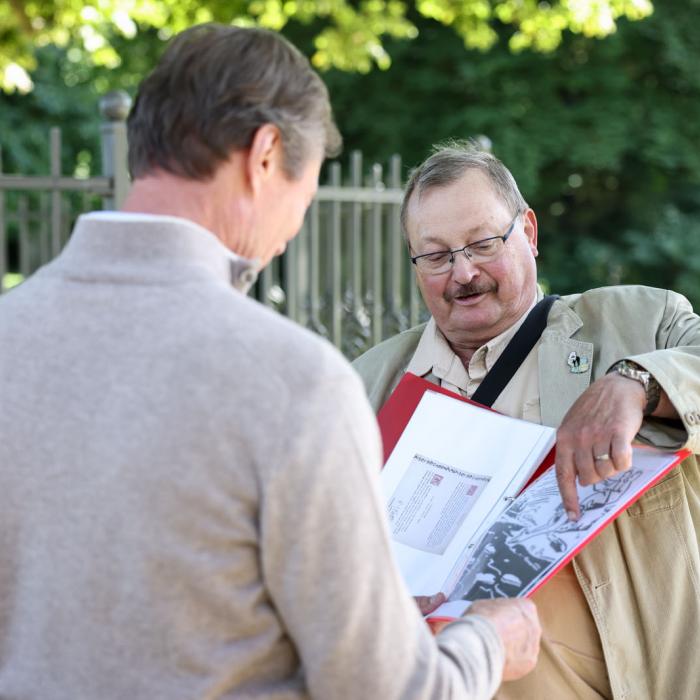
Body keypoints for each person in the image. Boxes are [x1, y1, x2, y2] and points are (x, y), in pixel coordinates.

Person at [0, 27, 541, 699]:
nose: (289, 235)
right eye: (305, 193)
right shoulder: (297, 383)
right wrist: (489, 642)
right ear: (265, 155)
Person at [353, 142, 700, 700]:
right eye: (436, 256)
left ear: (530, 232)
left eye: (483, 244)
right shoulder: (364, 387)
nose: (463, 273)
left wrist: (639, 381)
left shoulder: (642, 322)